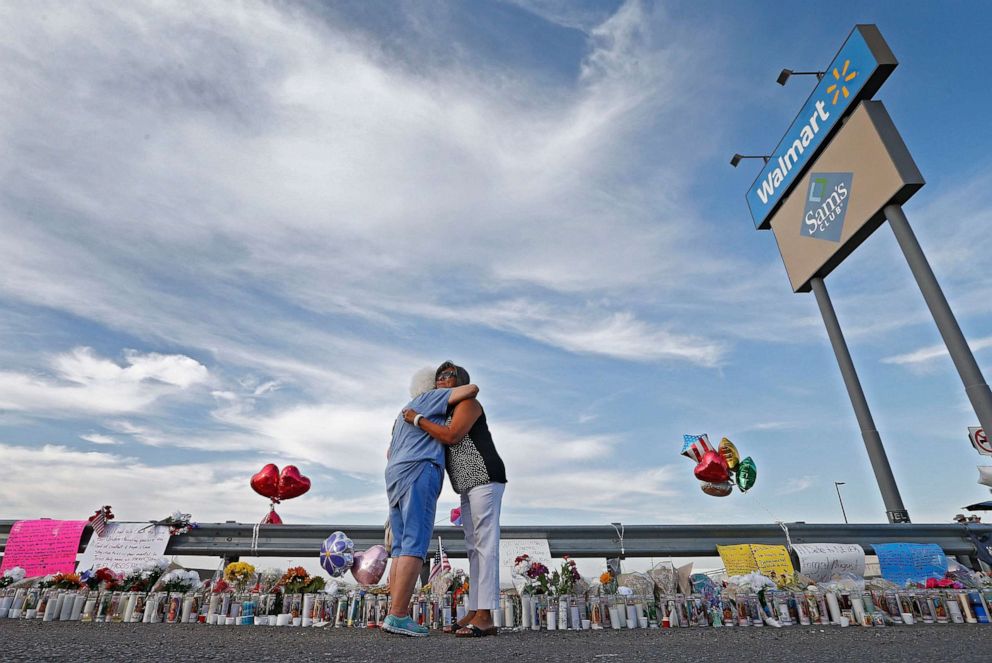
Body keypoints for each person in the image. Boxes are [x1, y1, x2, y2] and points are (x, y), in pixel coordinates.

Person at [402, 361, 507, 638]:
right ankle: (475, 610)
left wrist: (416, 419)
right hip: (467, 484)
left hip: (485, 476)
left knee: (485, 545)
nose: (442, 379)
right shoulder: (444, 409)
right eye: (439, 375)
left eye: (449, 375)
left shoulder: (469, 403)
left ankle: (485, 616)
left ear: (461, 380)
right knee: (473, 547)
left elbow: (452, 435)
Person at [382, 368, 479, 638]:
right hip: (419, 471)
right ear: (431, 386)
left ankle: (393, 611)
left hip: (395, 475)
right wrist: (448, 394)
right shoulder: (429, 400)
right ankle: (399, 616)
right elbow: (471, 390)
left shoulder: (402, 412)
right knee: (415, 542)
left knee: (400, 546)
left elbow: (389, 451)